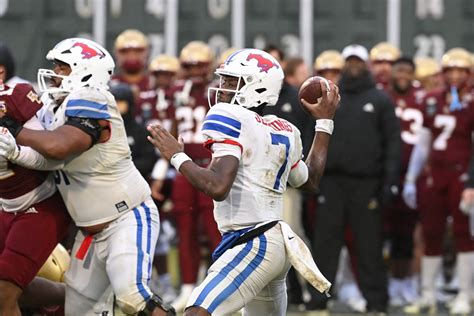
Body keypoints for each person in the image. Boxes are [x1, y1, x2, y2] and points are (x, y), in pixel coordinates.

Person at [148, 48, 339, 316]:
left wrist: (177, 157)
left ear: (257, 87)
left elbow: (217, 187)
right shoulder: (285, 129)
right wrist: (324, 123)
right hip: (274, 243)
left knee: (197, 312)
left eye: (230, 81)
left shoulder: (229, 116)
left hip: (253, 242)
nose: (221, 88)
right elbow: (309, 180)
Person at [0, 38, 173, 315]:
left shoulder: (93, 97)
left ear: (86, 71)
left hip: (126, 217)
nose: (54, 72)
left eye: (63, 66)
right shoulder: (53, 106)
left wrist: (16, 132)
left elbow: (60, 146)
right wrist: (16, 152)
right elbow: (48, 160)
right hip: (89, 230)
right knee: (79, 310)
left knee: (133, 298)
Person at [307, 44, 401, 314]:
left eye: (359, 61)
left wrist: (389, 182)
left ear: (366, 64)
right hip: (332, 182)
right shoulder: (333, 97)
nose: (354, 65)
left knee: (369, 245)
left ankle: (377, 302)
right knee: (325, 245)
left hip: (366, 183)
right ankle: (318, 299)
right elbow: (313, 133)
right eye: (350, 61)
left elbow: (392, 143)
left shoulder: (380, 99)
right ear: (344, 64)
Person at [402, 47, 474, 315]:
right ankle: (428, 294)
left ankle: (466, 294)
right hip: (435, 175)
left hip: (462, 174)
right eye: (450, 70)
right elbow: (423, 145)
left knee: (463, 234)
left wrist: (471, 184)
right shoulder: (432, 99)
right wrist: (411, 177)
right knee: (430, 232)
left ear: (469, 73)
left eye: (460, 71)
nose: (455, 76)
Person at [0, 82, 71, 316]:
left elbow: (53, 157)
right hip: (4, 207)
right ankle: (81, 294)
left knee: (4, 293)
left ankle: (82, 296)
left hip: (38, 204)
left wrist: (16, 153)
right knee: (13, 289)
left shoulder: (12, 100)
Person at [167, 41, 221, 312]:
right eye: (189, 66)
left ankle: (219, 286)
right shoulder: (177, 91)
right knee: (185, 229)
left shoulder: (219, 91)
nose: (195, 71)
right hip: (183, 165)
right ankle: (188, 287)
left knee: (215, 229)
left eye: (200, 65)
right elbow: (173, 127)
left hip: (211, 165)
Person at [385, 57, 425, 306]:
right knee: (386, 230)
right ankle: (391, 281)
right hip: (388, 172)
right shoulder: (383, 97)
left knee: (409, 233)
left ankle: (407, 282)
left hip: (413, 173)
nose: (403, 75)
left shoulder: (422, 98)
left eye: (407, 71)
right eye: (398, 70)